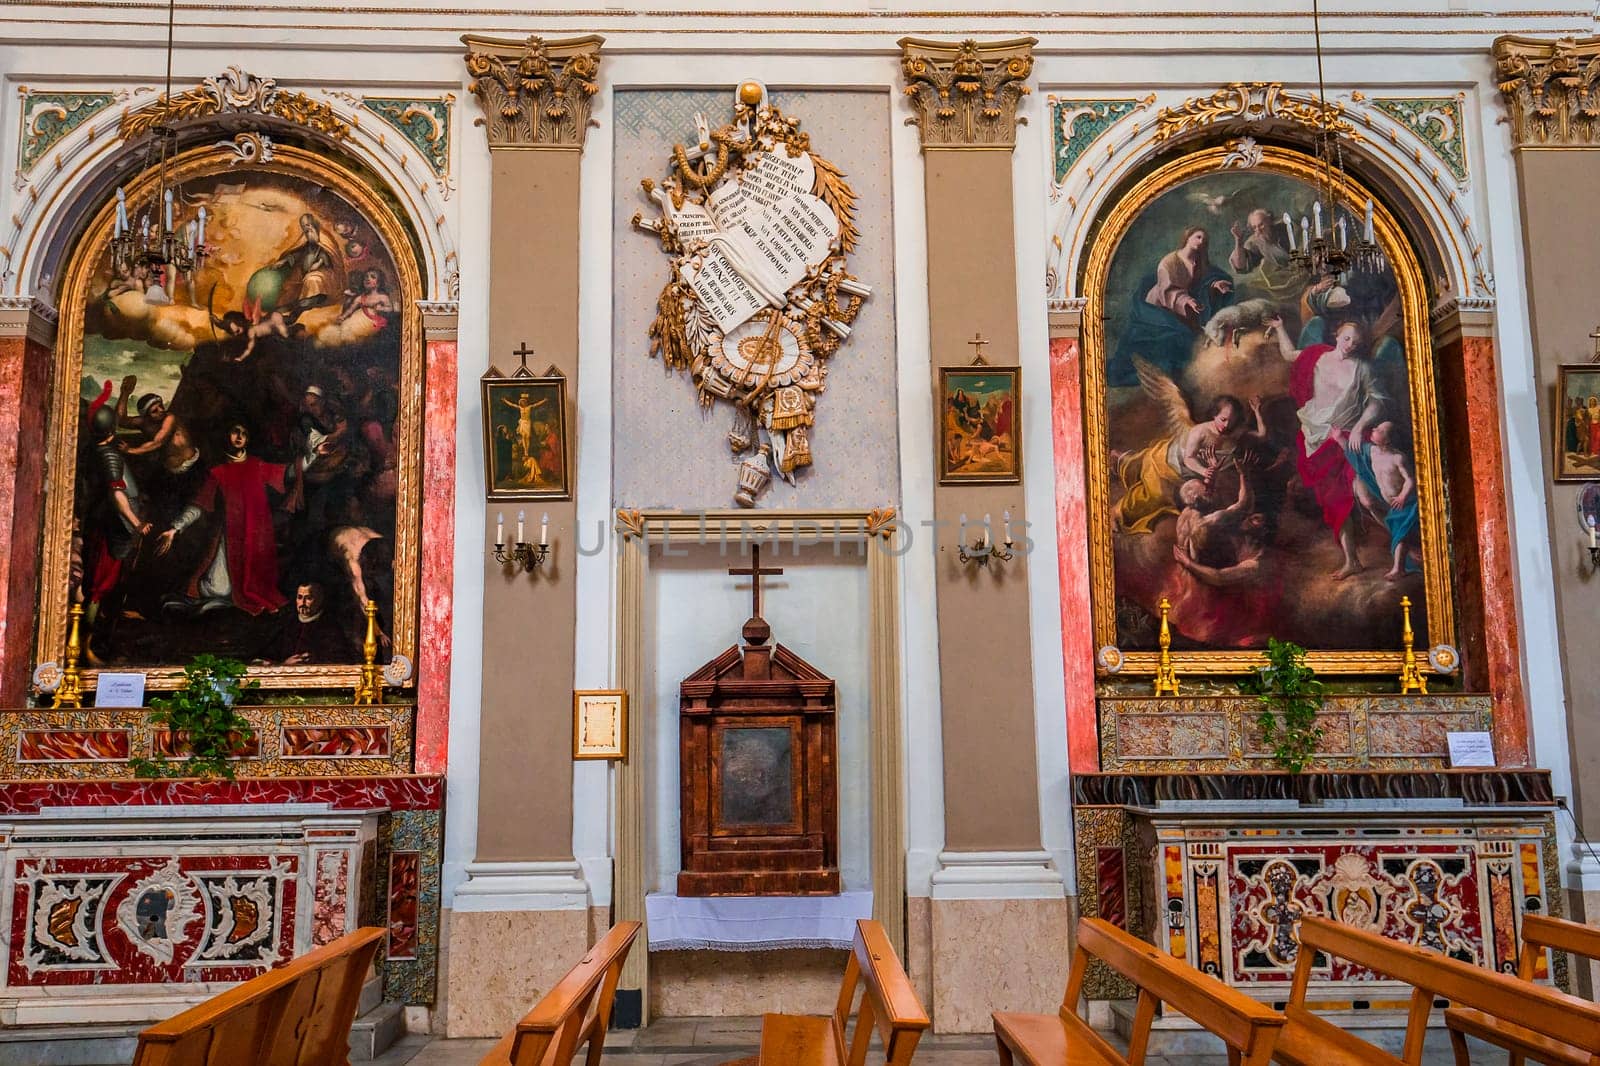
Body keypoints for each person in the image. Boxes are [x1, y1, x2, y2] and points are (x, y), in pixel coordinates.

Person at [1272, 317, 1388, 578]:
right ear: (1337, 335)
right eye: (1346, 338)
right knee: (1336, 501)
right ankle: (1351, 560)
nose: (1350, 345)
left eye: (1356, 343)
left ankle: (1408, 541)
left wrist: (1359, 427)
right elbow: (1290, 355)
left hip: (1348, 438)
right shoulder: (1317, 356)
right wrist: (1280, 327)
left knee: (1366, 497)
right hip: (1317, 437)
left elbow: (1377, 402)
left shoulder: (1362, 368)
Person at [155, 421, 288, 616]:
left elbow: (288, 473)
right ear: (228, 435)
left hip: (255, 537)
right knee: (219, 589)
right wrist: (174, 529)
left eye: (244, 433)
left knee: (250, 588)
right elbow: (199, 505)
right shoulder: (218, 472)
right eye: (235, 431)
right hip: (230, 537)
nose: (240, 436)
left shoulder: (257, 466)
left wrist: (313, 456)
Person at [1109, 226, 1235, 386]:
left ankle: (1177, 372)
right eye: (1198, 237)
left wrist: (1215, 285)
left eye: (1204, 239)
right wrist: (1187, 300)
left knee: (1191, 339)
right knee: (1176, 337)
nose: (1201, 241)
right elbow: (1166, 291)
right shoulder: (1169, 262)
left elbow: (1202, 284)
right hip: (1159, 306)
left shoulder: (1199, 263)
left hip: (1183, 309)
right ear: (1188, 237)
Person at [1344, 421, 1420, 581]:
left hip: (1405, 504)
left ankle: (1398, 569)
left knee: (1401, 536)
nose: (1373, 429)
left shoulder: (1397, 458)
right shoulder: (1372, 451)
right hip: (1392, 505)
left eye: (1379, 430)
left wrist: (1402, 497)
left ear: (1388, 440)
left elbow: (1410, 480)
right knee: (1400, 534)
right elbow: (1353, 451)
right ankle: (1402, 564)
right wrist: (1339, 438)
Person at [261, 582, 356, 664]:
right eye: (299, 597)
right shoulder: (288, 625)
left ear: (319, 600)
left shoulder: (330, 627)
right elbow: (268, 656)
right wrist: (284, 664)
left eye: (308, 598)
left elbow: (341, 659)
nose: (302, 602)